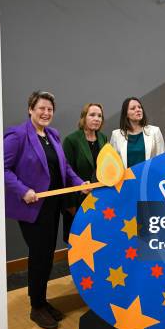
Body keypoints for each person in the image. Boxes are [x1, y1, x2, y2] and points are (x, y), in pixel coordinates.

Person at [3, 91, 87, 329]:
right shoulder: (17, 135)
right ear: (30, 109)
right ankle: (36, 308)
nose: (46, 113)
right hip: (33, 206)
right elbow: (2, 168)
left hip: (52, 206)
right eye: (41, 108)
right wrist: (23, 190)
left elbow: (65, 167)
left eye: (50, 109)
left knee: (47, 255)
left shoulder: (53, 135)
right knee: (40, 256)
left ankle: (41, 301)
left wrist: (80, 184)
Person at [62, 103, 108, 242]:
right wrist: (70, 206)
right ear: (83, 118)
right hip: (78, 199)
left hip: (100, 198)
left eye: (99, 116)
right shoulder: (71, 140)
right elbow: (66, 173)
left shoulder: (103, 138)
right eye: (92, 115)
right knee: (79, 240)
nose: (96, 119)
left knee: (99, 238)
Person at [110, 97, 165, 168]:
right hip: (127, 178)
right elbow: (113, 164)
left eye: (139, 107)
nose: (138, 110)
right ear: (126, 114)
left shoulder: (155, 131)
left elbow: (161, 159)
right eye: (133, 108)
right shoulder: (116, 135)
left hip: (150, 177)